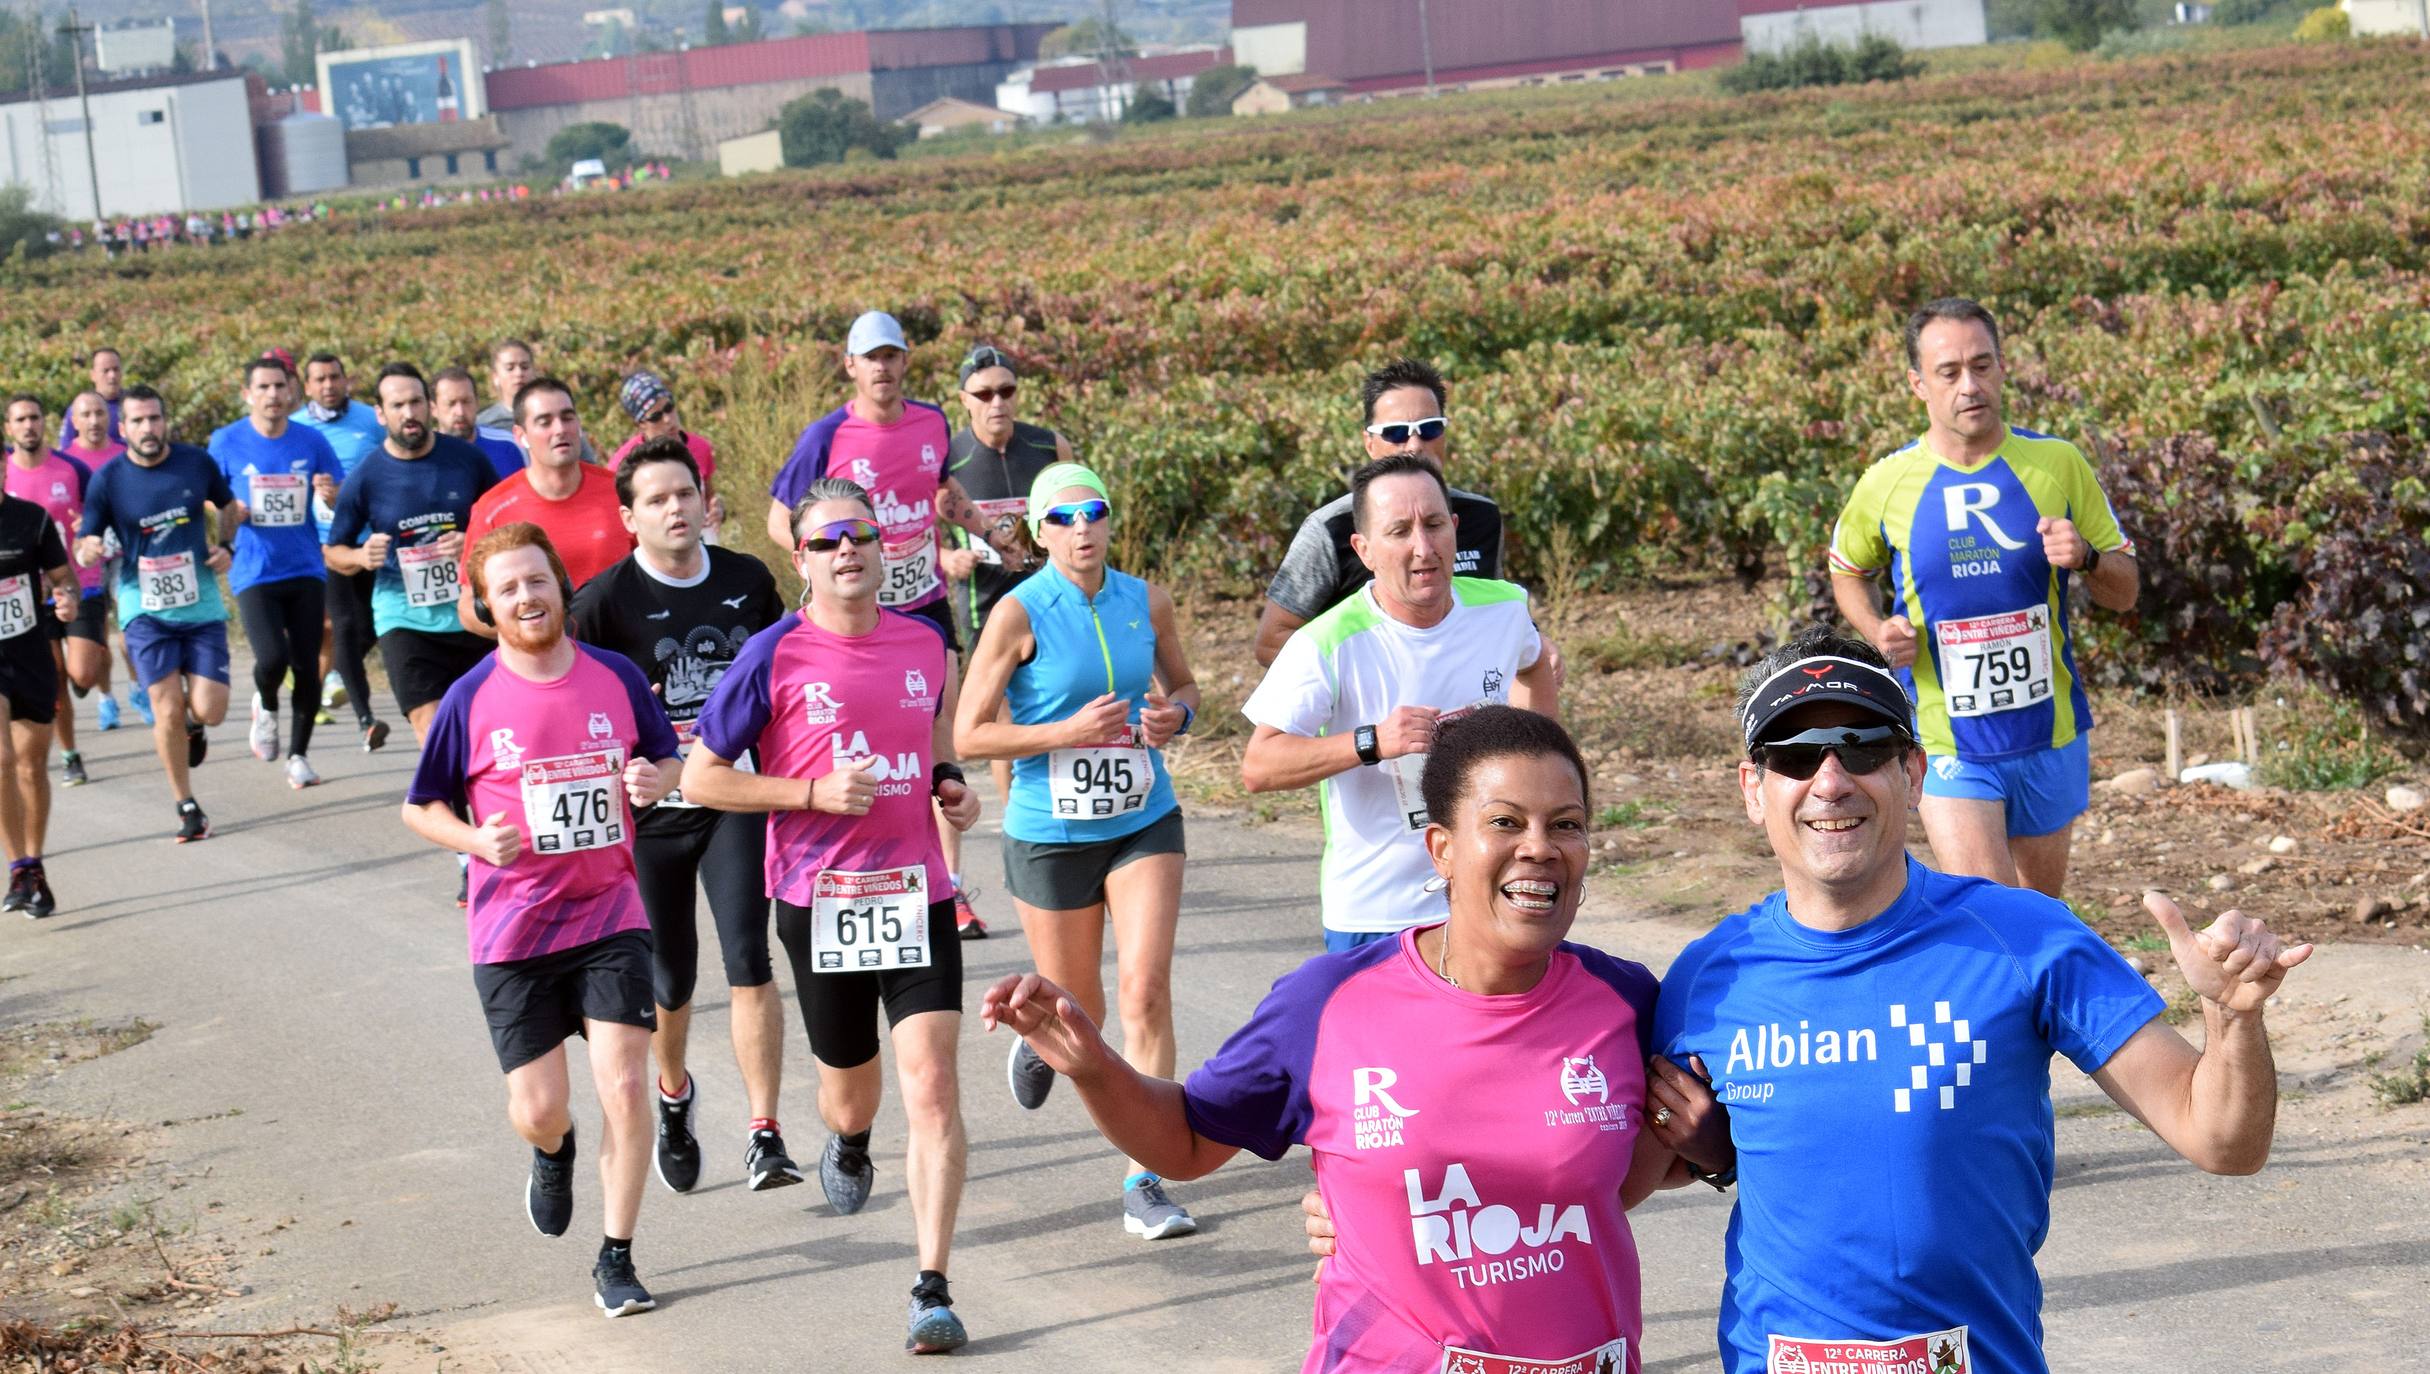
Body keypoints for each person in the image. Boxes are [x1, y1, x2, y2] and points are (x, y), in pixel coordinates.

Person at [987, 707, 1702, 1372]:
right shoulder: (1329, 1004)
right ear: (1442, 849)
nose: (1540, 849)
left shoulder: (1629, 1002)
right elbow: (1186, 1141)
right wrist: (1092, 1066)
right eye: (1506, 822)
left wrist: (1707, 1149)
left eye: (1567, 824)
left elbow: (1649, 1164)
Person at [684, 477, 983, 1355]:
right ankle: (848, 1143)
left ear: (884, 545)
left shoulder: (926, 645)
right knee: (852, 1095)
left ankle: (931, 1286)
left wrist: (950, 789)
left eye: (859, 535)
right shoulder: (775, 654)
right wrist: (808, 790)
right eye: (826, 541)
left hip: (916, 894)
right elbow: (701, 777)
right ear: (800, 558)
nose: (846, 550)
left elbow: (935, 750)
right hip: (821, 902)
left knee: (930, 1084)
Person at [401, 523, 681, 1319]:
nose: (526, 597)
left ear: (561, 585)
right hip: (513, 931)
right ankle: (552, 1151)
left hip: (609, 912)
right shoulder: (470, 697)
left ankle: (617, 1256)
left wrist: (651, 778)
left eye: (537, 580)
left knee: (626, 1085)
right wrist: (473, 839)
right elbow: (420, 806)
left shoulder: (616, 677)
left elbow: (666, 759)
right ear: (488, 607)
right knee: (539, 1108)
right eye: (508, 588)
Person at [952, 462, 1202, 1238]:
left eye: (1093, 511)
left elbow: (1187, 688)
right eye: (1061, 518)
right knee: (1078, 1006)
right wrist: (1064, 732)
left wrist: (1175, 720)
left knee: (1145, 991)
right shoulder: (1019, 612)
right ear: (1036, 532)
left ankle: (1145, 1175)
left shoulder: (1144, 599)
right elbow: (967, 733)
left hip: (1141, 817)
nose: (1081, 528)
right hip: (1051, 831)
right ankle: (1042, 1044)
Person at [1830, 298, 2140, 899]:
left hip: (2049, 732)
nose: (1969, 385)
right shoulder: (1887, 482)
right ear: (1918, 384)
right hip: (1948, 741)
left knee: (2039, 914)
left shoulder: (2056, 464)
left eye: (1982, 365)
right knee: (1990, 908)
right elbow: (1848, 572)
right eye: (1949, 372)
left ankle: (2037, 996)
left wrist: (2089, 558)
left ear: (2002, 368)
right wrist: (1874, 626)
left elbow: (2125, 592)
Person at [569, 439, 796, 1196]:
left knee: (748, 957)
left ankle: (765, 1132)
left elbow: (788, 681)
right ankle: (674, 1095)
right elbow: (576, 713)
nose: (675, 508)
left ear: (706, 501)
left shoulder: (747, 580)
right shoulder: (601, 604)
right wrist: (627, 771)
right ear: (629, 518)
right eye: (657, 500)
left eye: (685, 494)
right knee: (671, 980)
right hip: (653, 815)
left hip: (733, 798)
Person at [763, 310, 1032, 939]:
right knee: (869, 739)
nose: (882, 368)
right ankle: (856, 867)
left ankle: (951, 886)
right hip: (853, 613)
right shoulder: (825, 435)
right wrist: (824, 572)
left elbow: (940, 495)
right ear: (851, 366)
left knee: (940, 738)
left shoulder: (932, 421)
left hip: (922, 605)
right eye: (870, 358)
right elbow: (782, 520)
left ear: (904, 361)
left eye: (892, 355)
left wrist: (989, 532)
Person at [1242, 455, 1558, 949]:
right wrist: (1373, 741)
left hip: (1487, 898)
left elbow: (1535, 663)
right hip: (1379, 909)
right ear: (1363, 549)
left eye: (1434, 525)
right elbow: (1259, 766)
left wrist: (1533, 763)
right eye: (1399, 532)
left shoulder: (1504, 607)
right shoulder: (1326, 641)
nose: (1423, 548)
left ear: (1455, 529)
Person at [1254, 359, 1504, 667]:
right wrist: (1371, 682)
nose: (1414, 445)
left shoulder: (1482, 517)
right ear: (1369, 443)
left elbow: (1494, 615)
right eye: (1396, 433)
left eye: (1429, 429)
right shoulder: (1330, 528)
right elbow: (1271, 642)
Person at [73, 386, 238, 843]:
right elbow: (88, 538)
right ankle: (186, 804)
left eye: (155, 419)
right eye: (138, 422)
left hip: (200, 603)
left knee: (210, 709)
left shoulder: (195, 463)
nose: (148, 428)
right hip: (143, 607)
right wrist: (88, 549)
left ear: (166, 422)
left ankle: (193, 725)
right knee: (165, 708)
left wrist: (226, 546)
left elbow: (228, 506)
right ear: (122, 429)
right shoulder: (108, 479)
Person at [323, 363, 498, 745]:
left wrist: (471, 541)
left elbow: (505, 523)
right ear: (381, 414)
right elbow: (332, 550)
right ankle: (447, 804)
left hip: (471, 614)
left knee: (488, 730)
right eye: (398, 405)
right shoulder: (367, 475)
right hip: (404, 619)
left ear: (430, 406)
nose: (409, 413)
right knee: (434, 731)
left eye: (416, 402)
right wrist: (360, 557)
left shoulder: (466, 460)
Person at [209, 356, 345, 789]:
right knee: (272, 657)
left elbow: (337, 498)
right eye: (263, 388)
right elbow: (212, 503)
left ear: (291, 392)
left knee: (306, 666)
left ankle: (299, 756)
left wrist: (330, 492)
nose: (272, 395)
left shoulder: (311, 440)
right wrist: (232, 511)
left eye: (279, 387)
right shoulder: (226, 441)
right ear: (247, 393)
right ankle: (266, 705)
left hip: (305, 564)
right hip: (254, 568)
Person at [457, 377, 632, 640]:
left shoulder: (620, 491)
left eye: (567, 417)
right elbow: (468, 608)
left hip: (625, 650)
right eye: (545, 422)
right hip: (545, 661)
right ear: (521, 436)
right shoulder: (493, 508)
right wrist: (529, 631)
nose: (560, 429)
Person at [294, 352, 394, 753]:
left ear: (346, 380)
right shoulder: (297, 427)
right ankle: (366, 719)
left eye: (335, 377)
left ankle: (329, 675)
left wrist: (347, 491)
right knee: (346, 625)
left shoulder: (370, 421)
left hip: (377, 537)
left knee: (370, 628)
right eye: (319, 379)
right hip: (328, 543)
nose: (329, 385)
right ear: (307, 386)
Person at [0, 464, 87, 916]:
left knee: (32, 768)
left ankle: (32, 865)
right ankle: (16, 864)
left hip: (29, 654)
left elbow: (63, 576)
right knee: (1, 759)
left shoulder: (30, 518)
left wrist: (68, 596)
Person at [3, 395, 99, 786]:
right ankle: (70, 752)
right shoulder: (5, 470)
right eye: (20, 419)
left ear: (46, 422)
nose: (29, 425)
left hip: (78, 583)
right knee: (55, 672)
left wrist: (91, 543)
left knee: (82, 674)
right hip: (24, 599)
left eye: (35, 417)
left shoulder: (72, 468)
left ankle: (88, 687)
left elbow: (96, 515)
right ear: (9, 428)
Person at [940, 344, 1059, 646]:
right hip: (983, 602)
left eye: (1006, 391)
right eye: (983, 394)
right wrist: (946, 558)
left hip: (1048, 597)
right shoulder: (948, 457)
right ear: (964, 399)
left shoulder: (1049, 447)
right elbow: (917, 522)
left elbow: (1074, 509)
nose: (997, 403)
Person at [58, 391, 133, 735]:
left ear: (111, 418)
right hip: (86, 562)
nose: (93, 420)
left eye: (100, 413)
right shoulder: (66, 460)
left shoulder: (125, 453)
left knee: (132, 622)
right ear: (74, 422)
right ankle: (106, 697)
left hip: (124, 555)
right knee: (99, 638)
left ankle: (138, 686)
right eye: (85, 414)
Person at [609, 371, 723, 539]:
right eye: (656, 417)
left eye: (669, 408)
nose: (668, 419)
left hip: (704, 547)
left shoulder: (700, 446)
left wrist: (718, 509)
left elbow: (709, 498)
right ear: (640, 423)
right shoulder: (622, 464)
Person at [479, 339, 600, 464]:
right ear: (495, 377)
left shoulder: (560, 415)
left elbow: (587, 462)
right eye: (510, 368)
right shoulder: (485, 424)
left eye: (525, 367)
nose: (519, 373)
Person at [433, 366, 527, 482]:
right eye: (451, 403)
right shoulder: (423, 455)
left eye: (466, 402)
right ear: (433, 408)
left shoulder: (508, 446)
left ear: (477, 403)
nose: (460, 412)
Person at [54, 348, 123, 452]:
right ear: (93, 375)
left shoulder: (135, 407)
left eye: (116, 369)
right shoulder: (78, 409)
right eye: (106, 370)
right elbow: (65, 450)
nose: (112, 375)